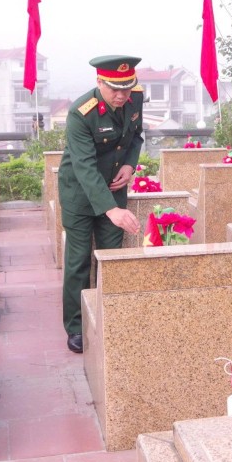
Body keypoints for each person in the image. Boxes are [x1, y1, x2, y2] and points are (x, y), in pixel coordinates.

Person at [59, 55, 143, 353]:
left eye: (126, 88)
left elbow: (136, 137)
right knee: (79, 260)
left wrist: (130, 166)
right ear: (99, 82)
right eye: (114, 89)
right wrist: (112, 210)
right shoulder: (80, 113)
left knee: (110, 256)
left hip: (113, 189)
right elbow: (83, 167)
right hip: (79, 195)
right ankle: (77, 326)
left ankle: (110, 314)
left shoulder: (134, 99)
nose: (121, 95)